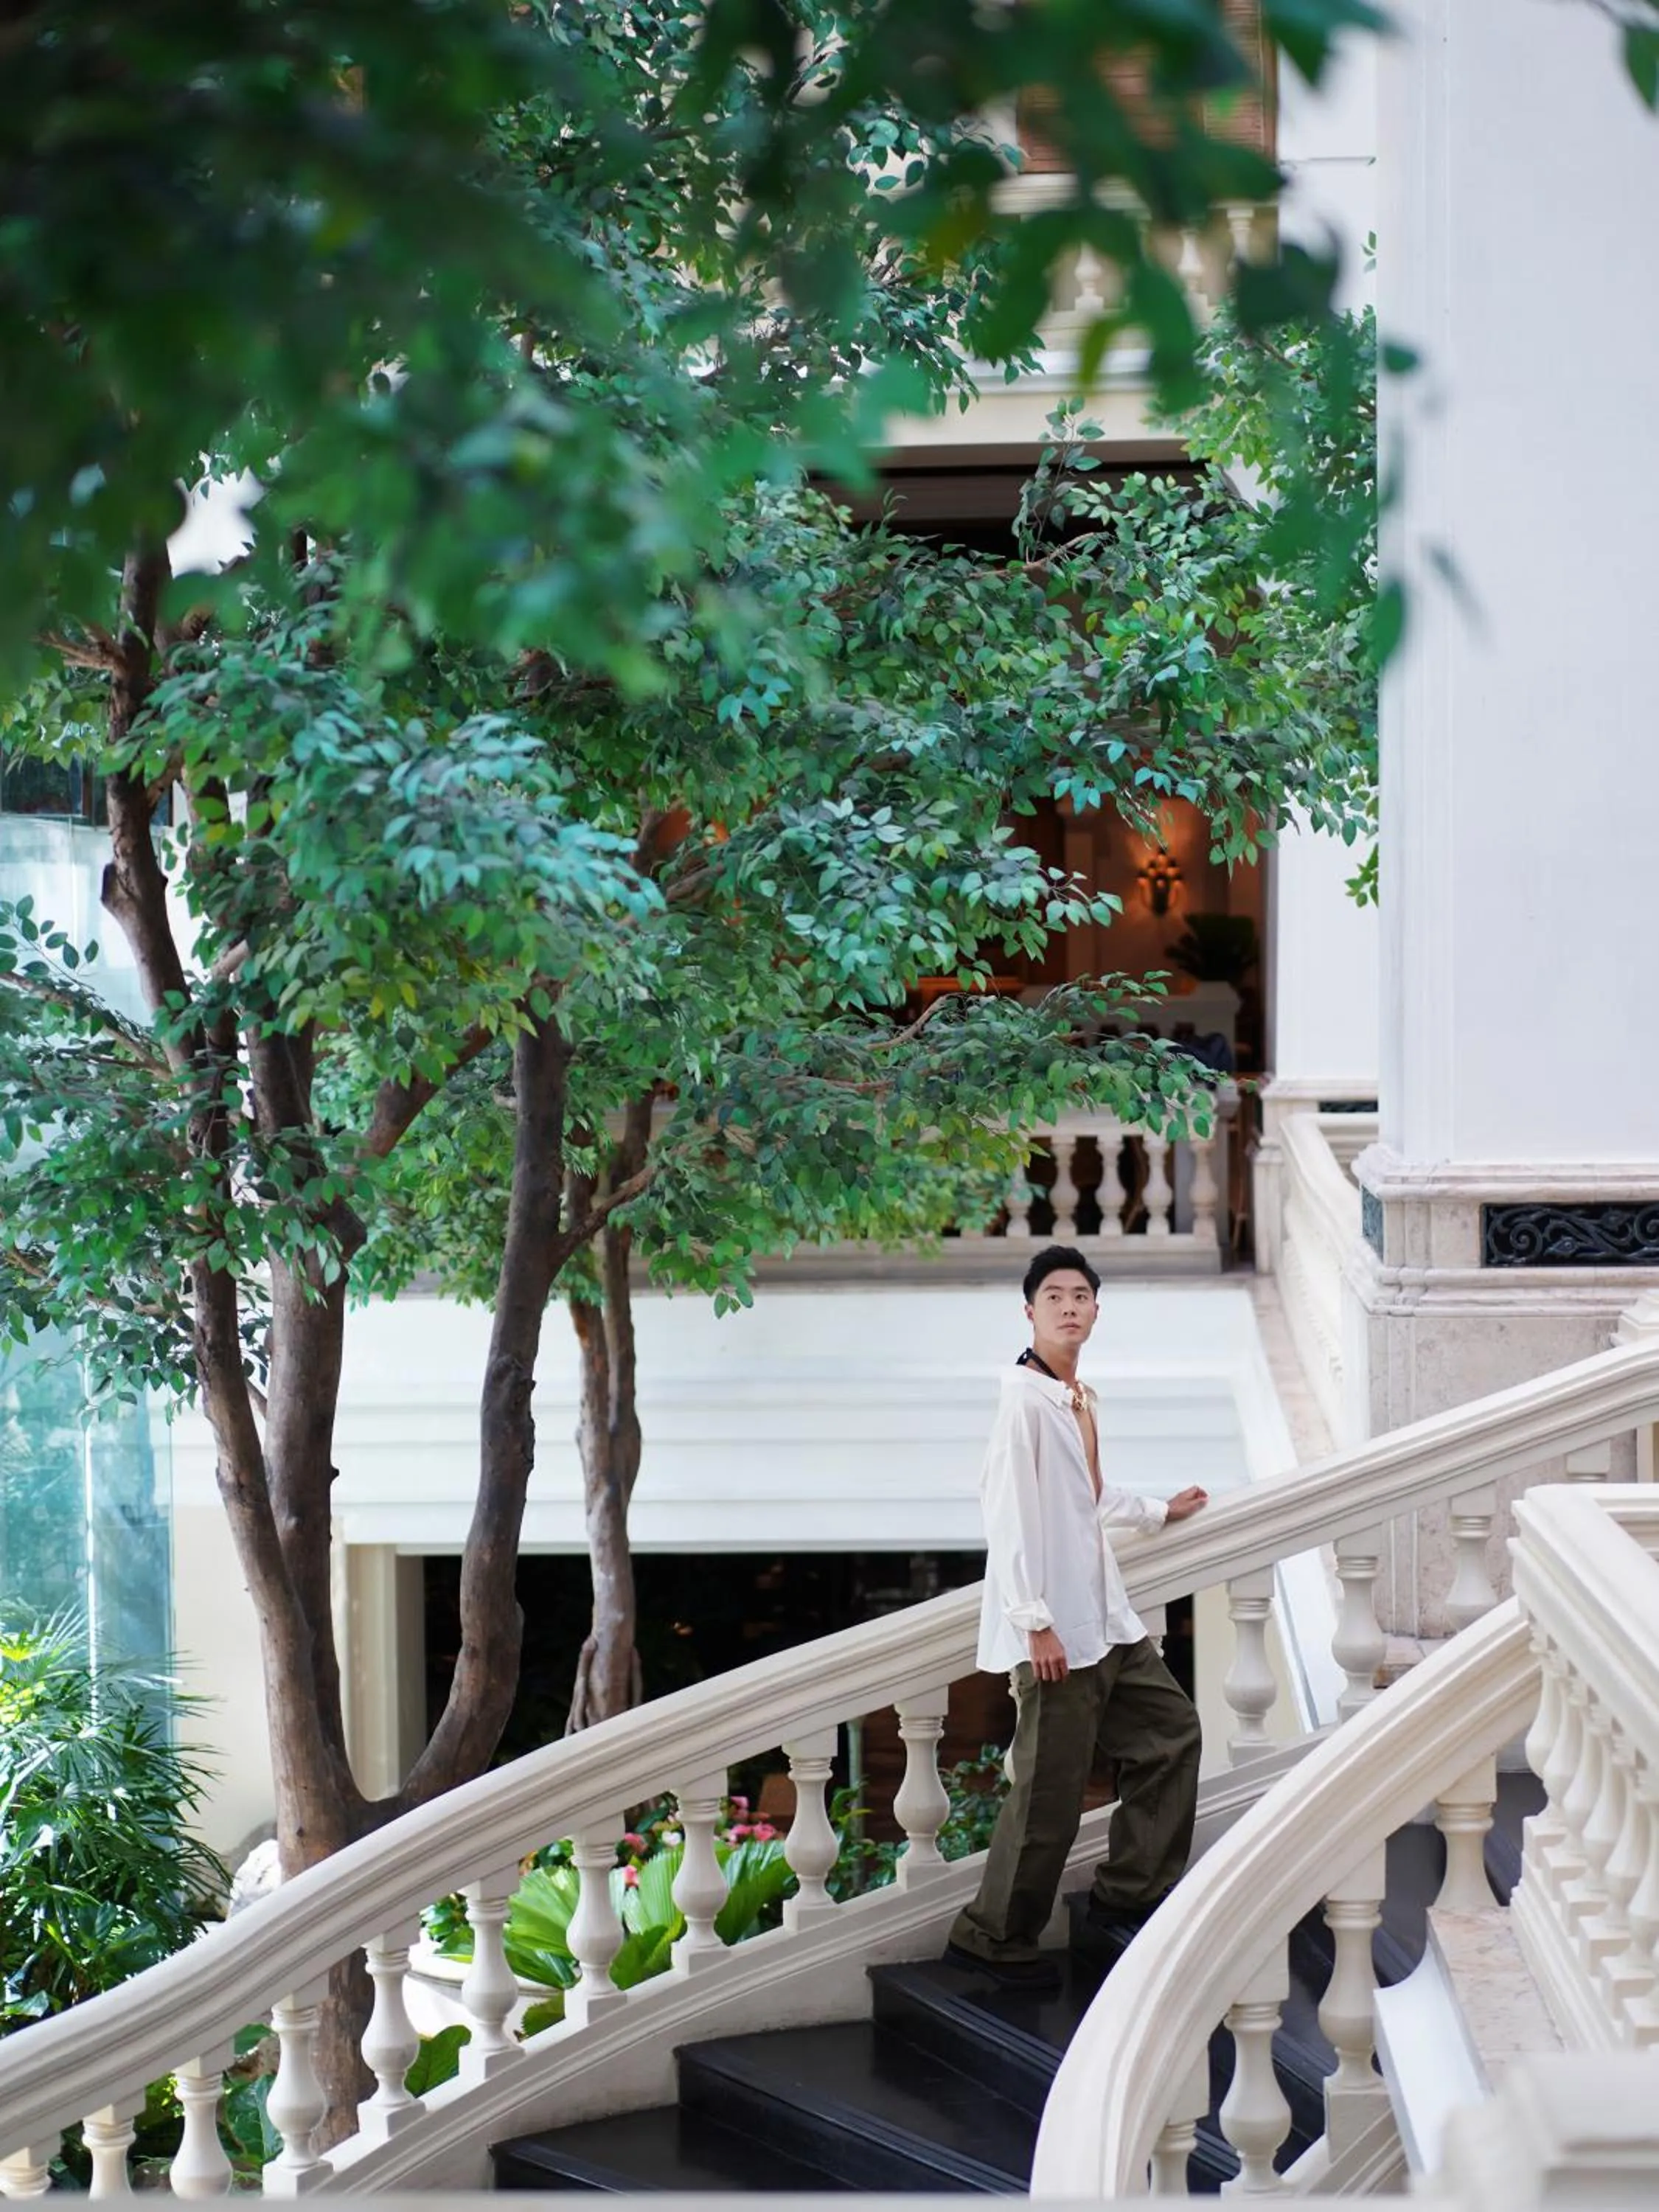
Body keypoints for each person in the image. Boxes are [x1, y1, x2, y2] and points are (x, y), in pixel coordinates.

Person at [943, 1245, 1208, 1990]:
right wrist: (1035, 1622)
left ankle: (1130, 1895)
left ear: (1096, 1310)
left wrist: (1161, 1510)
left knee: (1169, 1737)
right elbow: (1009, 1517)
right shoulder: (1023, 1403)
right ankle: (992, 1940)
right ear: (1029, 1311)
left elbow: (1085, 1496)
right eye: (1054, 1296)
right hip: (1058, 1635)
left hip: (1107, 1626)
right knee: (1048, 1799)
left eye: (1081, 1295)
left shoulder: (1075, 1397)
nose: (1069, 1306)